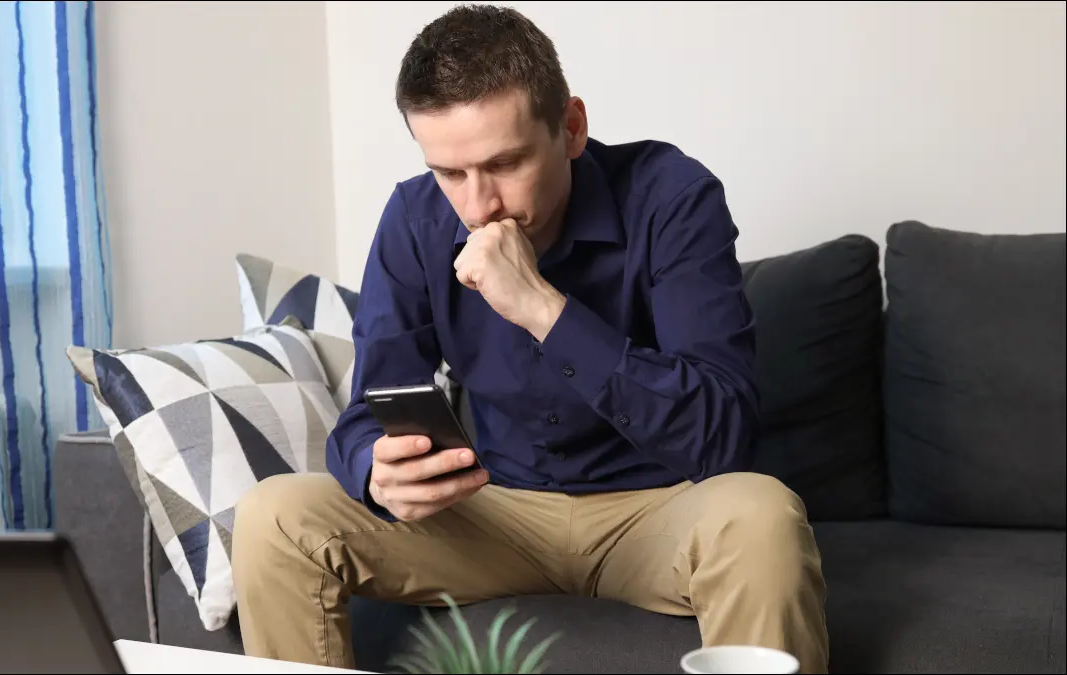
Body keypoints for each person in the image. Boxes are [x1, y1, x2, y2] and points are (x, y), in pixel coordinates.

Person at [232, 4, 828, 673]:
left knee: (762, 515)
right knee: (273, 514)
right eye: (449, 173)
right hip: (492, 513)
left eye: (505, 162)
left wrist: (545, 309)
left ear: (571, 128)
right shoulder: (414, 220)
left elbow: (724, 436)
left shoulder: (671, 196)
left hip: (659, 509)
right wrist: (376, 467)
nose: (478, 204)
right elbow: (369, 409)